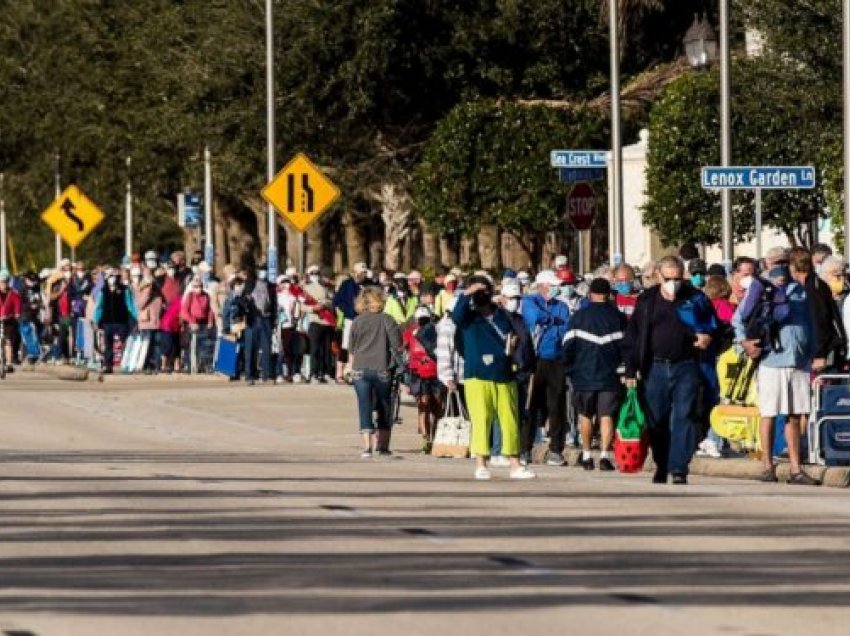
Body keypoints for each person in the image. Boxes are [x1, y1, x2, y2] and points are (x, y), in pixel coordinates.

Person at [623, 256, 716, 485]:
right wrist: (630, 370)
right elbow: (633, 337)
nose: (673, 283)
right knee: (657, 420)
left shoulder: (696, 298)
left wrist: (707, 337)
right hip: (654, 367)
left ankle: (678, 468)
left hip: (686, 365)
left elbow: (716, 325)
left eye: (677, 278)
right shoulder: (647, 301)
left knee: (684, 416)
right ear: (658, 276)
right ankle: (661, 463)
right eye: (668, 278)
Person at [737, 248, 820, 485]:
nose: (782, 266)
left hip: (799, 361)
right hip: (772, 360)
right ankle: (767, 466)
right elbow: (739, 319)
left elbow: (809, 324)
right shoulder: (760, 289)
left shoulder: (800, 291)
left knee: (795, 414)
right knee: (770, 414)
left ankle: (795, 468)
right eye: (777, 262)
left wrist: (813, 351)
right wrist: (746, 343)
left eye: (785, 262)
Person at [453, 275, 536, 480]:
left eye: (484, 291)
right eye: (476, 292)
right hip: (477, 374)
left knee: (509, 420)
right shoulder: (467, 317)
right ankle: (481, 462)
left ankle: (515, 464)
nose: (480, 296)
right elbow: (456, 319)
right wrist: (467, 294)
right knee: (481, 419)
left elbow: (518, 335)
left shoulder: (503, 315)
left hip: (504, 372)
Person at [564, 277, 625, 471]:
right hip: (610, 376)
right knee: (607, 415)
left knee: (585, 414)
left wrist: (569, 370)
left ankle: (587, 454)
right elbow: (627, 348)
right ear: (609, 295)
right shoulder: (619, 318)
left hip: (584, 375)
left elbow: (567, 347)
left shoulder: (578, 317)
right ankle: (606, 456)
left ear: (590, 294)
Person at [521, 270, 570, 466]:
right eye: (553, 285)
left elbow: (563, 330)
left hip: (556, 360)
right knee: (530, 405)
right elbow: (534, 318)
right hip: (535, 359)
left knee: (556, 406)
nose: (557, 289)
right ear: (542, 286)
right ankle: (524, 448)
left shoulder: (562, 307)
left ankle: (556, 450)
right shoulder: (529, 301)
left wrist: (550, 321)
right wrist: (549, 320)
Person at [348, 286, 402, 458]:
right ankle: (383, 446)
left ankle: (366, 447)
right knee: (384, 406)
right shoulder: (387, 319)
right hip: (382, 367)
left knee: (364, 406)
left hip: (360, 368)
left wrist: (349, 368)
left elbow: (351, 348)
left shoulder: (357, 321)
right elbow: (397, 344)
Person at [500, 280, 535, 465]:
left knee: (521, 413)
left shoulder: (521, 320)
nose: (515, 301)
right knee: (506, 413)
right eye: (512, 298)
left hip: (523, 371)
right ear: (503, 298)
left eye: (517, 298)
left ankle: (518, 450)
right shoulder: (499, 318)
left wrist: (531, 365)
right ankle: (503, 450)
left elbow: (527, 344)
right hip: (506, 372)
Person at [403, 306, 442, 453]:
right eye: (421, 320)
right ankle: (426, 439)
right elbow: (402, 350)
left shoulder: (436, 331)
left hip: (436, 373)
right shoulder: (410, 333)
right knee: (423, 406)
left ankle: (436, 437)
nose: (423, 322)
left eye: (425, 319)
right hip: (417, 374)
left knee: (438, 408)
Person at [94, 270, 138, 374]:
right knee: (108, 345)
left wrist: (136, 318)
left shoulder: (124, 289)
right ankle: (108, 365)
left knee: (124, 343)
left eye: (114, 276)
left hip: (121, 321)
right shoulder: (103, 291)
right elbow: (99, 306)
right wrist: (96, 320)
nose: (112, 278)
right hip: (107, 322)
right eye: (110, 277)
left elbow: (130, 305)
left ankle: (126, 364)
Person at [334, 262, 368, 382]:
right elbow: (338, 300)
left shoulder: (367, 285)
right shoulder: (347, 284)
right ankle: (340, 372)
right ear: (355, 273)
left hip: (364, 319)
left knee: (360, 346)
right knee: (346, 345)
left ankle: (353, 370)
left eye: (364, 273)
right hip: (350, 318)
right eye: (360, 273)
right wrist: (348, 310)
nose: (363, 275)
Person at [303, 265, 335, 383]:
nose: (328, 280)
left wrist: (325, 303)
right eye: (326, 277)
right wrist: (313, 308)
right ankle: (313, 374)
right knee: (315, 349)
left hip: (327, 323)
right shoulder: (307, 288)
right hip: (315, 322)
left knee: (327, 350)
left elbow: (333, 302)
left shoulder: (330, 289)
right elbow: (302, 305)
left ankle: (326, 373)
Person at [180, 276, 215, 373]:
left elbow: (210, 310)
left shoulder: (206, 296)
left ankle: (203, 365)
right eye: (196, 286)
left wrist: (210, 321)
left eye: (199, 286)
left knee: (205, 345)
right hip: (192, 323)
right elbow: (184, 311)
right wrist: (192, 321)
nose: (198, 289)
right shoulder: (190, 296)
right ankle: (188, 365)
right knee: (190, 345)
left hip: (203, 323)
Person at [133, 272, 163, 373]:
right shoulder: (140, 292)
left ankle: (155, 365)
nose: (151, 286)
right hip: (146, 323)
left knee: (156, 345)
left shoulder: (158, 294)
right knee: (146, 346)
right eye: (149, 284)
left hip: (156, 323)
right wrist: (147, 292)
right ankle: (144, 365)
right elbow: (140, 305)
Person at [275, 275, 303, 383]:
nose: (285, 284)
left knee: (294, 350)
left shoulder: (293, 296)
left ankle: (294, 373)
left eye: (287, 282)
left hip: (293, 326)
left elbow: (300, 306)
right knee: (282, 351)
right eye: (283, 282)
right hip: (281, 327)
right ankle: (280, 373)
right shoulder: (277, 296)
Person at [0, 270, 22, 371]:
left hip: (9, 320)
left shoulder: (13, 293)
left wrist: (17, 313)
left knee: (8, 341)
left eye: (5, 281)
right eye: (1, 282)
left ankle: (9, 363)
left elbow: (17, 305)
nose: (3, 284)